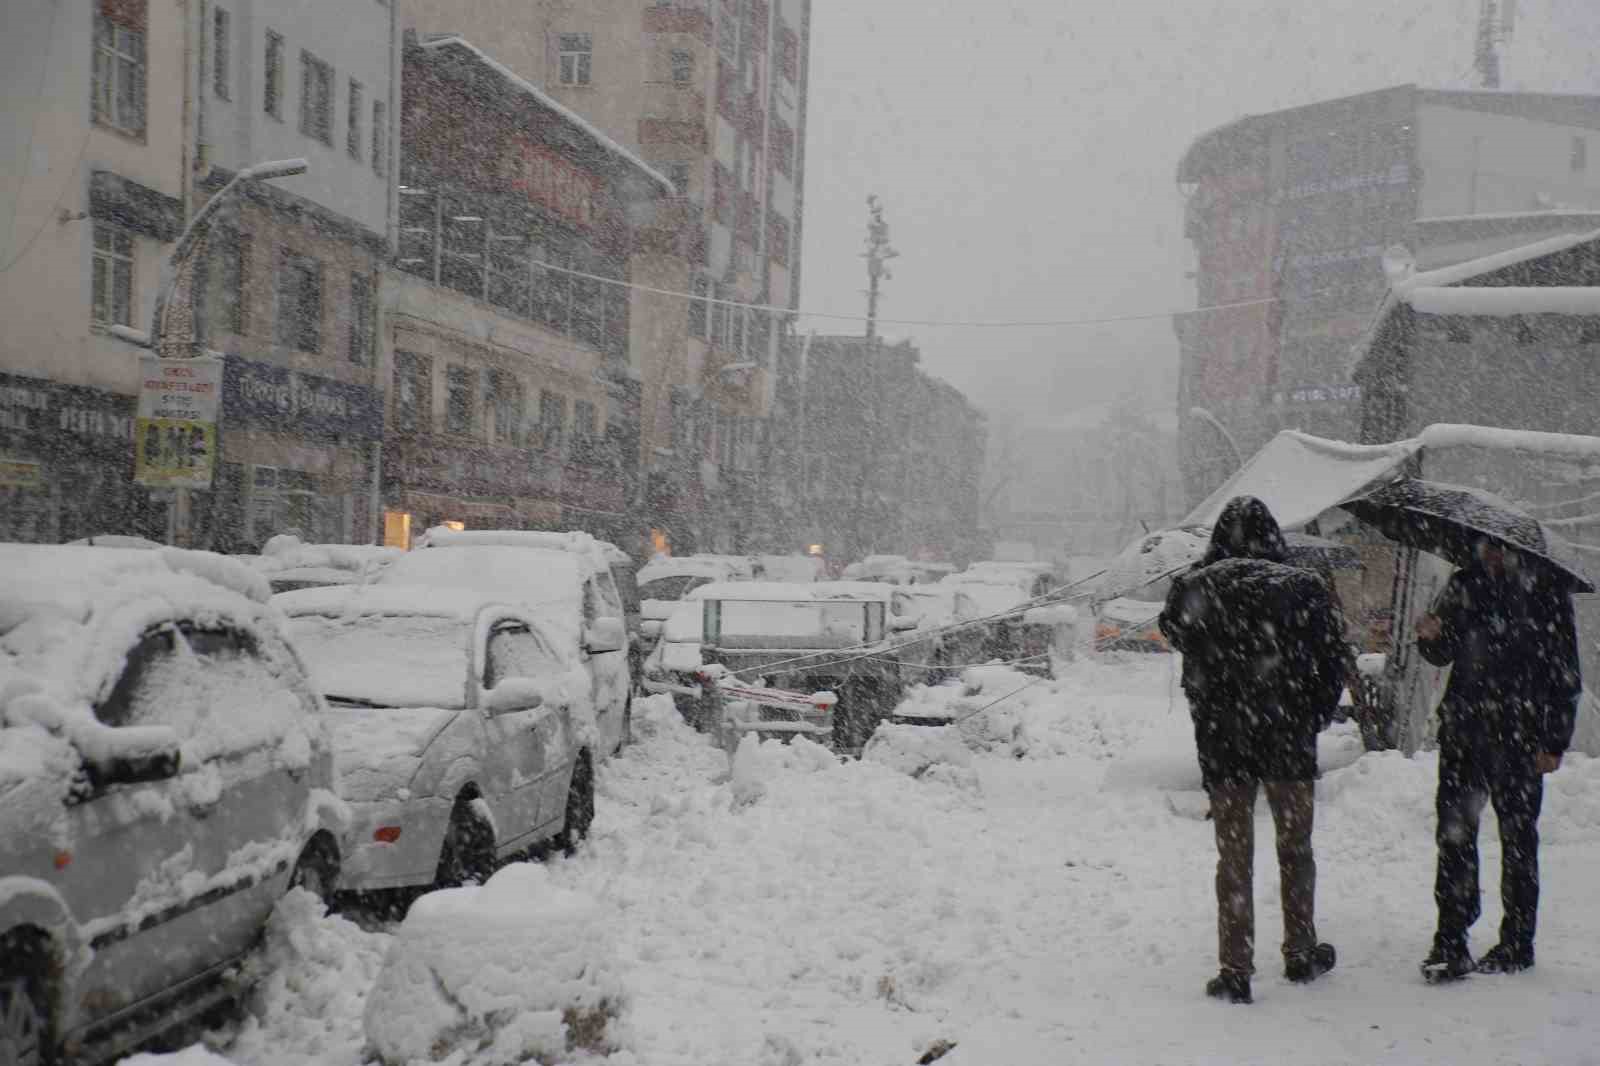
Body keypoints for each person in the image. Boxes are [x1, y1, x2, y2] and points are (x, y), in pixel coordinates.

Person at [1159, 496, 1347, 1004]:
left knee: (1234, 856)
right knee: (1296, 848)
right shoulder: (1303, 587)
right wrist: (1312, 713)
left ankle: (1236, 967)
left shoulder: (1195, 586)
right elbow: (1334, 659)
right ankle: (1301, 950)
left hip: (1224, 742)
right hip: (1287, 738)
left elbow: (1173, 632)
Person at [1414, 536, 1582, 982]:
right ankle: (1451, 937)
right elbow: (1443, 650)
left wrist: (1555, 741)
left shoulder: (1546, 592)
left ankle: (1517, 941)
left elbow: (1566, 673)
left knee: (1519, 839)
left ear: (1521, 550)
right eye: (1486, 546)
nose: (1491, 553)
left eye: (1501, 547)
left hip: (1522, 736)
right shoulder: (1463, 583)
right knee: (1454, 836)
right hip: (1465, 732)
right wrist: (1428, 636)